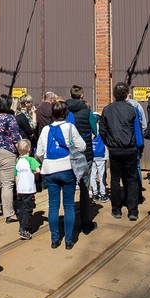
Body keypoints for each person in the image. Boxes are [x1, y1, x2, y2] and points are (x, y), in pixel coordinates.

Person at [36, 100, 86, 249]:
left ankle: (54, 239)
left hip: (50, 170)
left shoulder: (45, 130)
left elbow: (39, 152)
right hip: (67, 168)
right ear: (66, 113)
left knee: (53, 206)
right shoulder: (70, 128)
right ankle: (69, 241)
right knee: (69, 205)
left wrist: (44, 161)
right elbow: (82, 146)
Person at [99, 82, 140, 220]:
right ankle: (133, 210)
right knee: (132, 179)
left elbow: (102, 131)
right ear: (127, 93)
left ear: (114, 94)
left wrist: (109, 144)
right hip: (129, 149)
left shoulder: (107, 109)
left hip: (115, 149)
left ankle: (116, 209)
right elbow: (137, 130)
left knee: (115, 180)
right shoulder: (131, 109)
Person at [65, 85, 96, 234]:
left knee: (69, 188)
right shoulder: (87, 111)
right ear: (82, 95)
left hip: (69, 153)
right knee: (84, 188)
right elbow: (95, 131)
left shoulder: (65, 110)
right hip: (85, 153)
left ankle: (68, 221)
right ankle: (85, 221)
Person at [0, 93, 21, 223]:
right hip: (7, 151)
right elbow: (15, 136)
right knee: (7, 183)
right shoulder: (10, 118)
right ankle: (9, 213)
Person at [14, 139, 39, 240]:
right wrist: (32, 172)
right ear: (29, 149)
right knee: (28, 209)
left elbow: (16, 176)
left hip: (20, 189)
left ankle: (23, 225)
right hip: (28, 189)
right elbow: (38, 170)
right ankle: (23, 229)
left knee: (21, 209)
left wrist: (17, 187)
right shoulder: (31, 160)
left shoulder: (18, 161)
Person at [89, 112, 109, 202]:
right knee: (102, 174)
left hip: (92, 154)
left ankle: (95, 194)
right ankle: (103, 194)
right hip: (101, 154)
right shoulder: (102, 129)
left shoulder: (89, 129)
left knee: (92, 174)